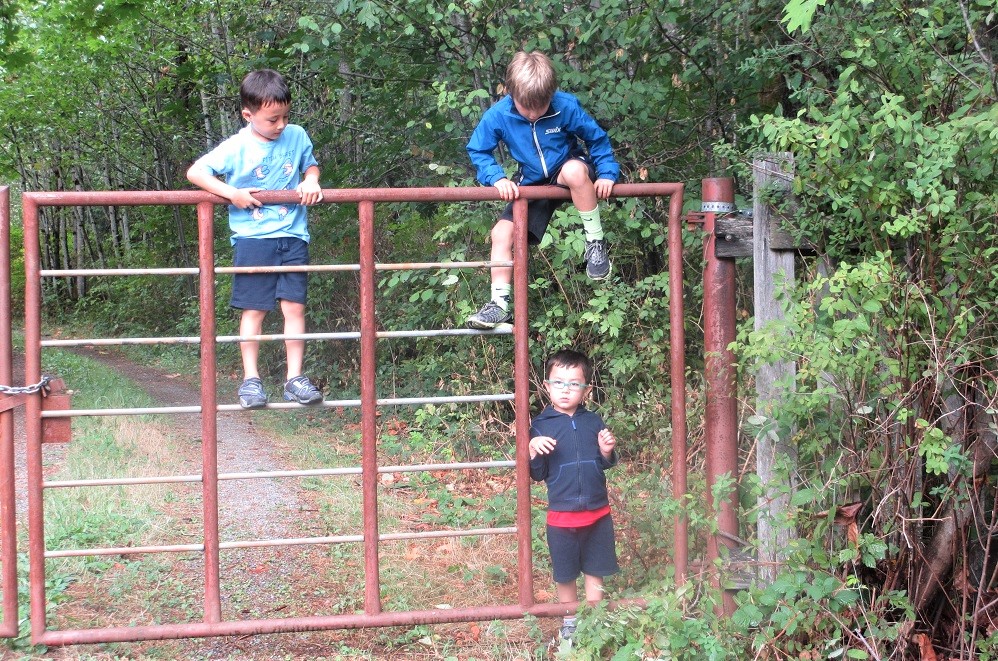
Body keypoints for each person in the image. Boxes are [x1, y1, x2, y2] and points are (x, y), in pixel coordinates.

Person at [187, 69, 324, 409]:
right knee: (255, 309)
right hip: (252, 239)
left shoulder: (297, 135)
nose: (280, 125)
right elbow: (196, 172)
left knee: (294, 306)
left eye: (285, 117)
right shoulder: (236, 147)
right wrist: (231, 193)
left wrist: (311, 180)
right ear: (248, 115)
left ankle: (295, 378)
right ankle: (251, 381)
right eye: (273, 119)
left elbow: (311, 165)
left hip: (293, 235)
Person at [465, 51, 620, 329]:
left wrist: (607, 174)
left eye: (542, 105)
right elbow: (479, 150)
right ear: (511, 93)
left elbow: (596, 139)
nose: (535, 113)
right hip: (533, 181)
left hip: (569, 170)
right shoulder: (498, 114)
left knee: (574, 171)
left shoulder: (565, 106)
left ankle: (595, 243)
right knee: (501, 233)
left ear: (552, 93)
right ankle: (498, 305)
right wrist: (497, 178)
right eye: (528, 107)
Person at [529, 349, 619, 643]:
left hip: (598, 513)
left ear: (587, 389)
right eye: (558, 383)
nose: (565, 390)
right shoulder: (540, 426)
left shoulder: (593, 421)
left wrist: (607, 450)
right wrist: (533, 449)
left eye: (573, 384)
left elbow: (604, 462)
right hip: (562, 516)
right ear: (546, 385)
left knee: (595, 570)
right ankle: (569, 621)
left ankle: (595, 620)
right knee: (565, 573)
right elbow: (538, 473)